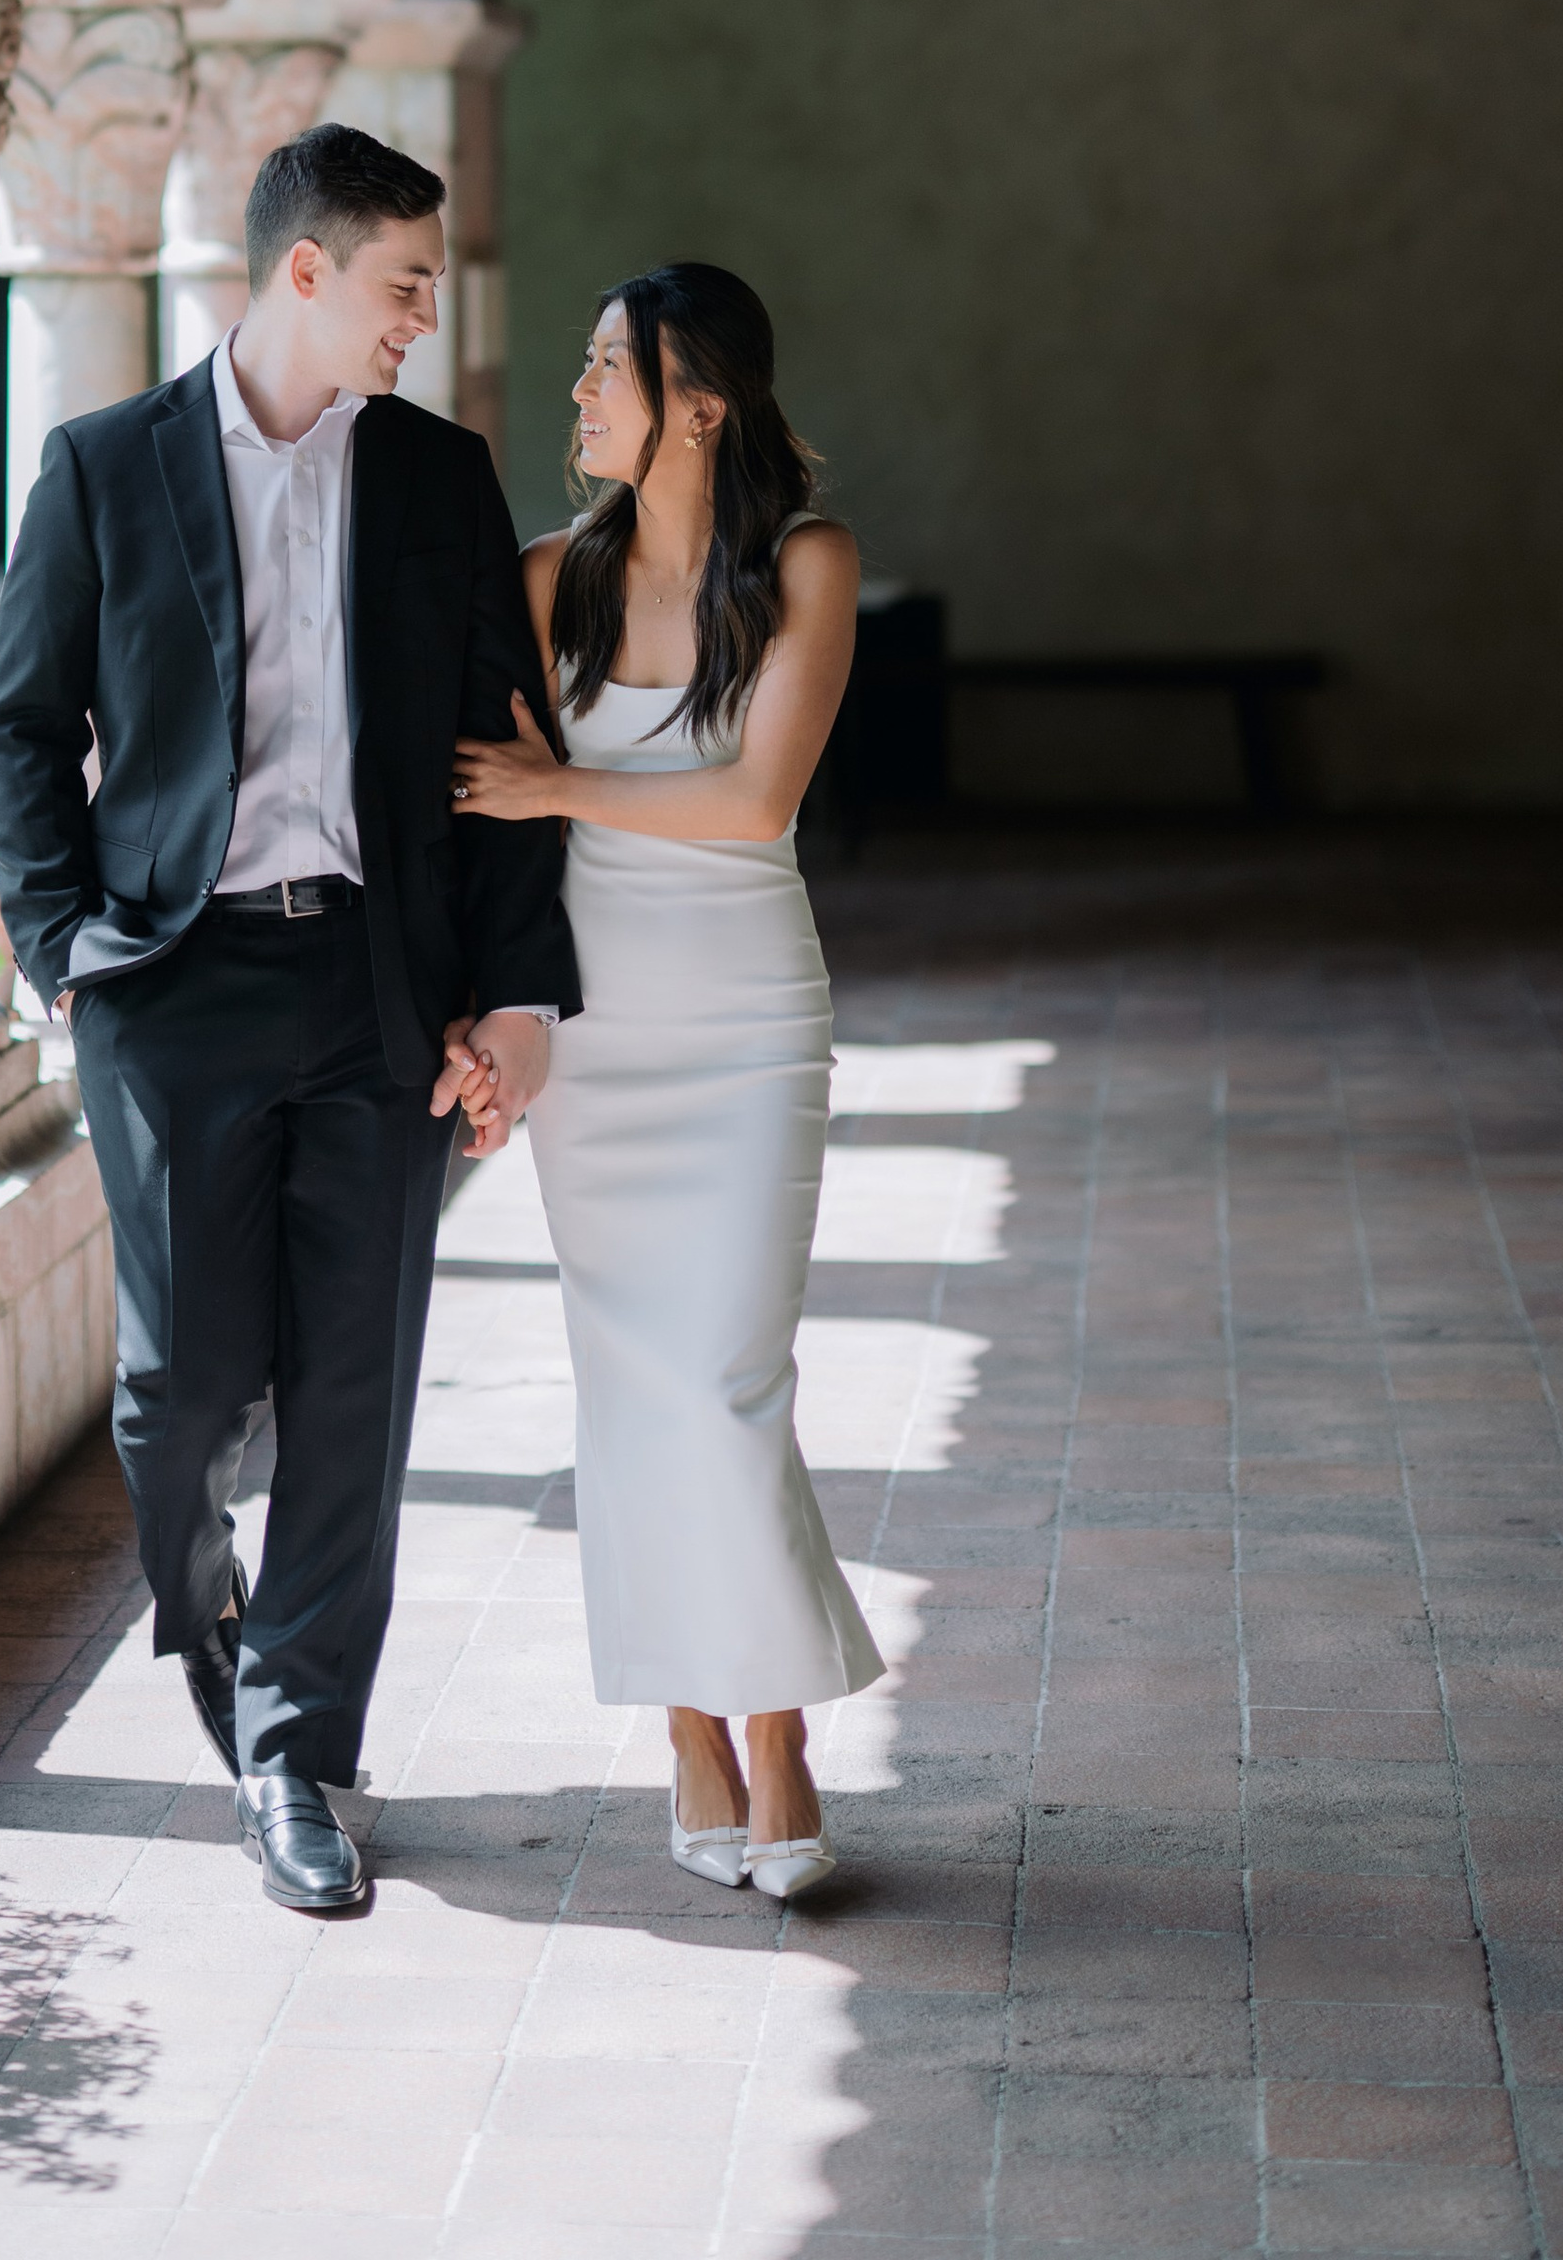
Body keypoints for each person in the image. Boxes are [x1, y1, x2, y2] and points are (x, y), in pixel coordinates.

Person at [0, 122, 578, 1915]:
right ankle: (219, 1618)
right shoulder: (103, 469)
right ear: (303, 270)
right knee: (176, 1401)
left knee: (353, 1387)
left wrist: (519, 992)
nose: (423, 318)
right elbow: (20, 728)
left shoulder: (439, 479)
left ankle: (302, 1753)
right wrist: (63, 941)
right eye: (403, 285)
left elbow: (508, 763)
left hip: (378, 983)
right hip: (168, 987)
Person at [446, 261, 883, 1898]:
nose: (578, 397)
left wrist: (558, 782)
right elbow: (460, 810)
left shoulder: (806, 565)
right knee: (636, 1391)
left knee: (724, 1383)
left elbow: (759, 800)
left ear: (702, 399)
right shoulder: (548, 579)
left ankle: (776, 1730)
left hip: (750, 1020)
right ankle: (692, 1727)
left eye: (604, 372)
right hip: (597, 1037)